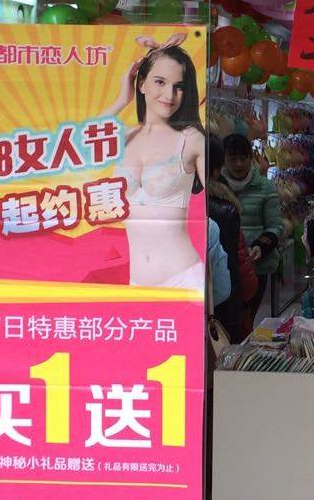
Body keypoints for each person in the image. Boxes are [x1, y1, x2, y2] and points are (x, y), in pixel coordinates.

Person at [109, 39, 206, 289]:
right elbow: (76, 145)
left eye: (179, 86)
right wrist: (122, 100)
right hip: (137, 283)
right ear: (141, 83)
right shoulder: (123, 137)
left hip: (184, 279)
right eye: (160, 82)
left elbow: (217, 203)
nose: (169, 95)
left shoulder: (191, 140)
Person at [222, 132, 283, 324]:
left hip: (256, 266)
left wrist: (260, 246)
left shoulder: (265, 187)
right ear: (224, 160)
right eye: (233, 159)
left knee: (246, 319)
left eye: (244, 158)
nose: (239, 164)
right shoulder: (216, 188)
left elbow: (276, 226)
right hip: (223, 267)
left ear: (251, 158)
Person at [206, 136, 259, 342]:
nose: (238, 164)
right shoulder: (224, 209)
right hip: (221, 307)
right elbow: (230, 269)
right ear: (219, 168)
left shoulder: (166, 207)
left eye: (243, 158)